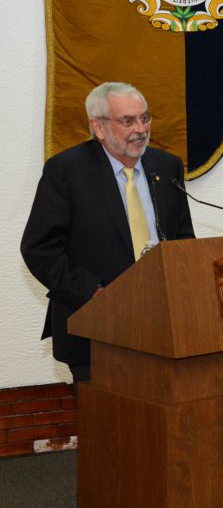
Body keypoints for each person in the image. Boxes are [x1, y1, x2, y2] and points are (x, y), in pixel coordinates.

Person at [21, 82, 194, 385]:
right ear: (98, 127)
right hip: (95, 329)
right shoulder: (66, 170)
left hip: (161, 326)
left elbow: (183, 240)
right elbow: (40, 249)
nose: (141, 129)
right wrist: (96, 295)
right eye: (128, 121)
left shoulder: (167, 167)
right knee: (107, 429)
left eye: (145, 118)